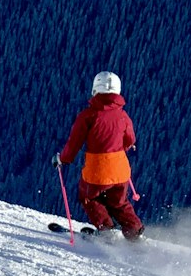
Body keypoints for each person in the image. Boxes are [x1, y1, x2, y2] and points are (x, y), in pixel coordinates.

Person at [53, 71, 144, 239]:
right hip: (121, 169)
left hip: (98, 171)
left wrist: (62, 159)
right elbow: (130, 139)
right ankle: (134, 232)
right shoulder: (123, 116)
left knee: (89, 198)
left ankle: (106, 231)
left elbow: (74, 144)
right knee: (119, 202)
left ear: (95, 90)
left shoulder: (88, 116)